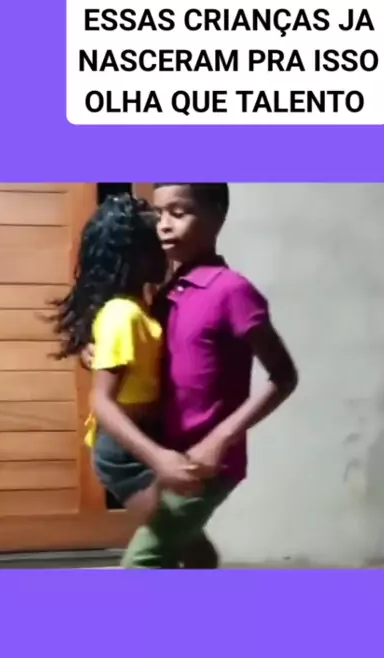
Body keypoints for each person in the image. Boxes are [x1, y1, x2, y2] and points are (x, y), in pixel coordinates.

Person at [82, 183, 299, 569]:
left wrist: (219, 440)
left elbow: (283, 377)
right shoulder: (164, 293)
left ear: (217, 215)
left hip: (202, 465)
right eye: (159, 214)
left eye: (179, 213)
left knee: (144, 562)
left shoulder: (233, 291)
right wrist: (95, 352)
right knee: (192, 550)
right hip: (165, 456)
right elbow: (146, 358)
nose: (164, 225)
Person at [47, 193, 204, 566]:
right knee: (184, 550)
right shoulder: (123, 315)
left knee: (191, 550)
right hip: (124, 454)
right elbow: (102, 402)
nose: (166, 251)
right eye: (157, 243)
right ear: (139, 255)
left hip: (139, 440)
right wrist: (158, 457)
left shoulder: (138, 308)